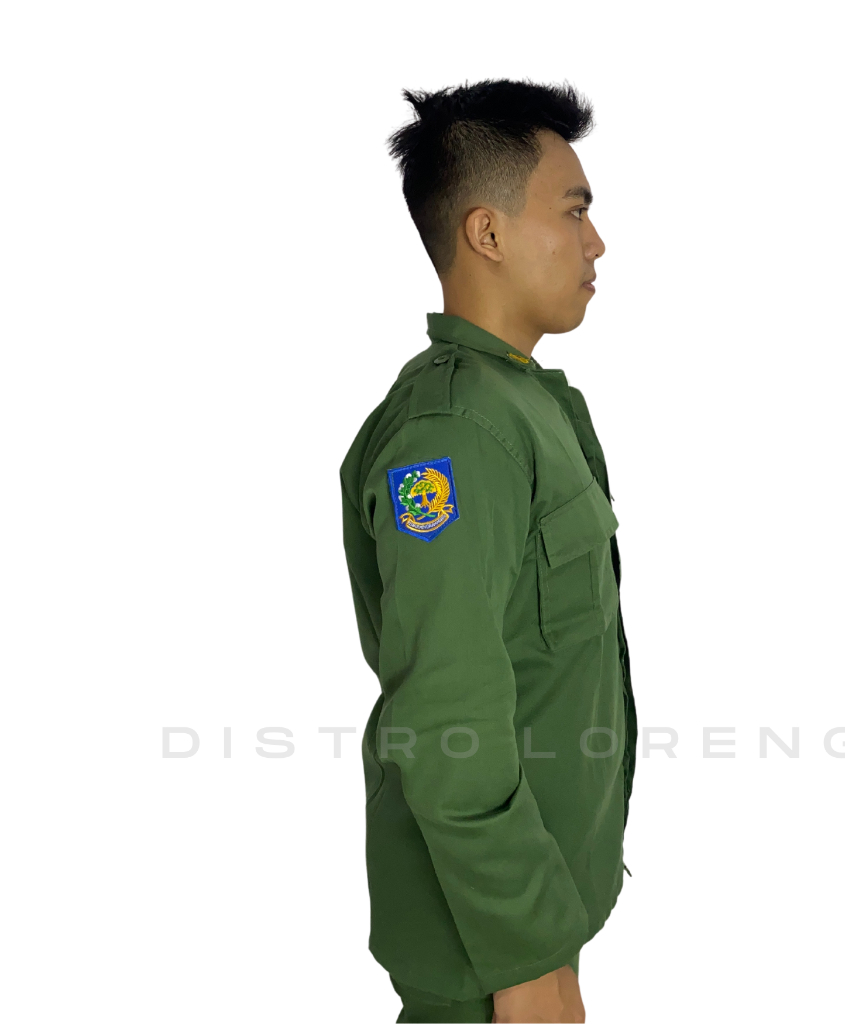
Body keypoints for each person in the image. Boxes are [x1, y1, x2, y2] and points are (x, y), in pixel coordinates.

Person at [339, 79, 637, 1023]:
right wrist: (526, 956)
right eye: (574, 211)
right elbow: (445, 716)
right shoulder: (453, 437)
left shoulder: (524, 405)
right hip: (488, 953)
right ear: (487, 233)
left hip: (535, 915)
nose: (596, 242)